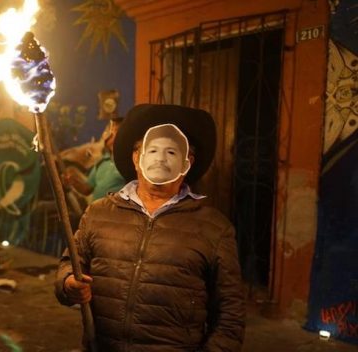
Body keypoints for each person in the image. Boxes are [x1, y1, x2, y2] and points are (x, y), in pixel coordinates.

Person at [55, 104, 245, 351]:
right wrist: (69, 283)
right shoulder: (99, 213)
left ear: (188, 163)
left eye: (172, 152)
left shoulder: (214, 229)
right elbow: (69, 265)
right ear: (136, 158)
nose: (161, 159)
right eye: (152, 149)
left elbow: (231, 315)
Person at [62, 119, 125, 201]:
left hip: (117, 212)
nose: (108, 134)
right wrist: (72, 181)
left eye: (115, 131)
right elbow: (87, 189)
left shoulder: (130, 163)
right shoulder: (102, 162)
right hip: (95, 211)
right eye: (109, 130)